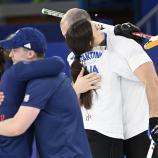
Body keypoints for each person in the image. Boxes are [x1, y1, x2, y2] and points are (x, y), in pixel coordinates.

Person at [65, 17, 158, 158]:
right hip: (109, 133)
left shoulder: (123, 43)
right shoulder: (80, 59)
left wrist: (155, 119)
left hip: (140, 127)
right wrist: (76, 89)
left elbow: (152, 80)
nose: (98, 26)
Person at [0, 27, 92, 158]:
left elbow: (17, 127)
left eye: (15, 50)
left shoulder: (43, 81)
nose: (10, 55)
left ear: (30, 54)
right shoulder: (46, 77)